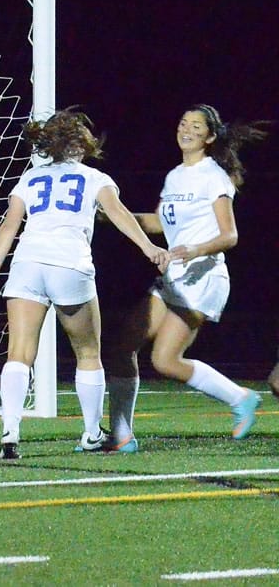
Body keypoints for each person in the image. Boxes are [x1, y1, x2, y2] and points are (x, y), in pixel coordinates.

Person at [0, 109, 169, 460]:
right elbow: (120, 214)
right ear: (79, 144)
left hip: (27, 264)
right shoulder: (95, 177)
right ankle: (92, 434)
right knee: (89, 353)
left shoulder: (30, 178)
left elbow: (8, 226)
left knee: (19, 353)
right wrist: (149, 247)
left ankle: (9, 434)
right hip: (69, 265)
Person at [103, 105, 267, 452]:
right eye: (182, 123)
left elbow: (230, 235)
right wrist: (112, 215)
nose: (186, 129)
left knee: (162, 359)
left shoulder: (214, 177)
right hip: (175, 275)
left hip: (203, 278)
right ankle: (122, 435)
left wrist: (195, 250)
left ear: (209, 137)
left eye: (195, 126)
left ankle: (241, 398)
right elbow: (162, 224)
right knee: (125, 347)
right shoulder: (175, 176)